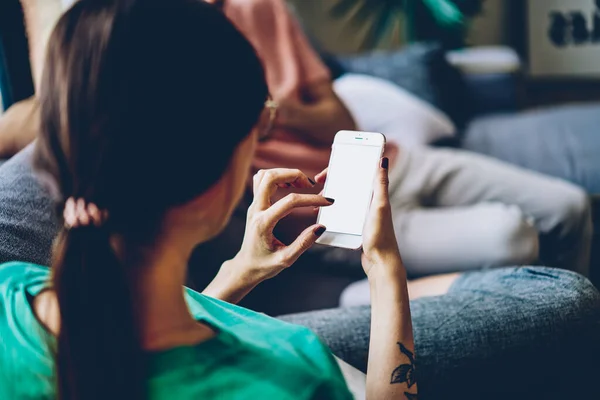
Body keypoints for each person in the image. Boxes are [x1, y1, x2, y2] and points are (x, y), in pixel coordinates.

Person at [1, 1, 600, 399]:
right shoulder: (291, 370)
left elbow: (138, 343)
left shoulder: (13, 295)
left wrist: (235, 276)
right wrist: (385, 270)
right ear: (227, 182)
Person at [206, 0, 592, 279]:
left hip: (389, 163)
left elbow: (340, 118)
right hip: (331, 216)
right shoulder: (163, 48)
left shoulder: (259, 8)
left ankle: (573, 331)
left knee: (569, 206)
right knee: (512, 235)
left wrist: (279, 113)